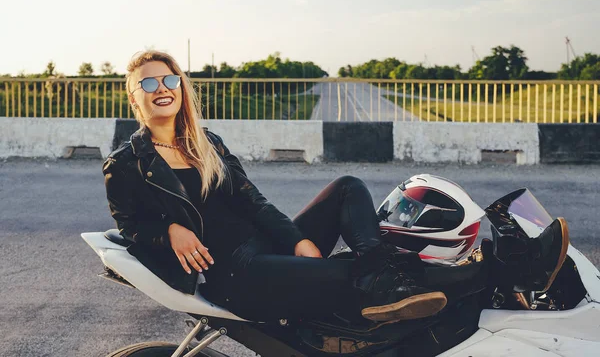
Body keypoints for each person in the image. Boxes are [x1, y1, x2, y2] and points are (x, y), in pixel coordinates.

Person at [102, 50, 568, 324]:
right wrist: (171, 233)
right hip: (236, 275)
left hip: (267, 247)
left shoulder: (207, 143)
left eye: (169, 79)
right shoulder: (125, 164)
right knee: (354, 279)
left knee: (347, 186)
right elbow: (129, 225)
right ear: (134, 95)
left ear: (181, 87)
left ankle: (379, 271)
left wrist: (299, 239)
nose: (161, 87)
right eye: (149, 82)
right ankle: (510, 271)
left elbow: (254, 204)